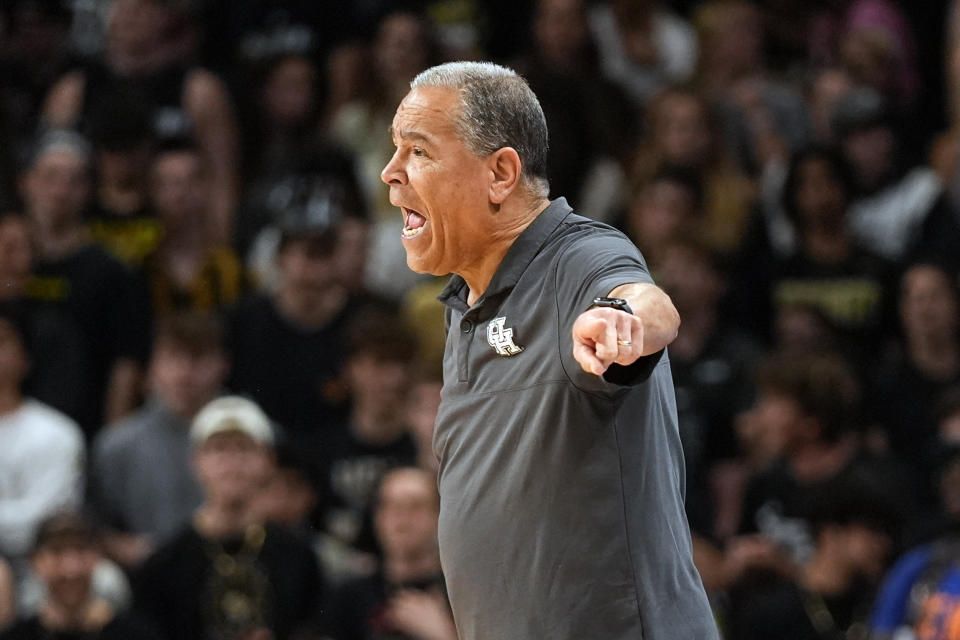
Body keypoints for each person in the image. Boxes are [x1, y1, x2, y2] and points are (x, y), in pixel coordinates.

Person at [379, 61, 716, 639]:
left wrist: (626, 322)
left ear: (501, 173)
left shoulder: (575, 260)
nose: (390, 173)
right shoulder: (466, 306)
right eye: (394, 150)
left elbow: (644, 301)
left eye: (419, 152)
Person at [132, 395, 322, 640]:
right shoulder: (164, 565)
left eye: (244, 448)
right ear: (196, 462)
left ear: (268, 461)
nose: (232, 462)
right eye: (219, 448)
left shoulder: (299, 558)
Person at [89, 312, 229, 570]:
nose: (185, 373)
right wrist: (123, 548)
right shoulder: (117, 445)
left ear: (222, 364)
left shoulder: (254, 440)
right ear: (152, 365)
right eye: (173, 358)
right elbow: (97, 527)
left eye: (198, 359)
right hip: (147, 581)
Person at [322, 467, 456, 640]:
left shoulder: (460, 592)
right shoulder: (349, 596)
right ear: (377, 517)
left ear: (438, 514)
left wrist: (444, 634)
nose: (402, 517)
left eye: (415, 506)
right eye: (391, 505)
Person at [0, 304, 85, 566]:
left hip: (41, 574)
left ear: (25, 358)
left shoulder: (58, 433)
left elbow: (46, 524)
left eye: (2, 341)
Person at [0, 513, 162, 640]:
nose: (71, 569)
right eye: (57, 552)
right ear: (35, 562)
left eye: (80, 550)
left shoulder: (137, 635)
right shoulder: (16, 636)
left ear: (97, 557)